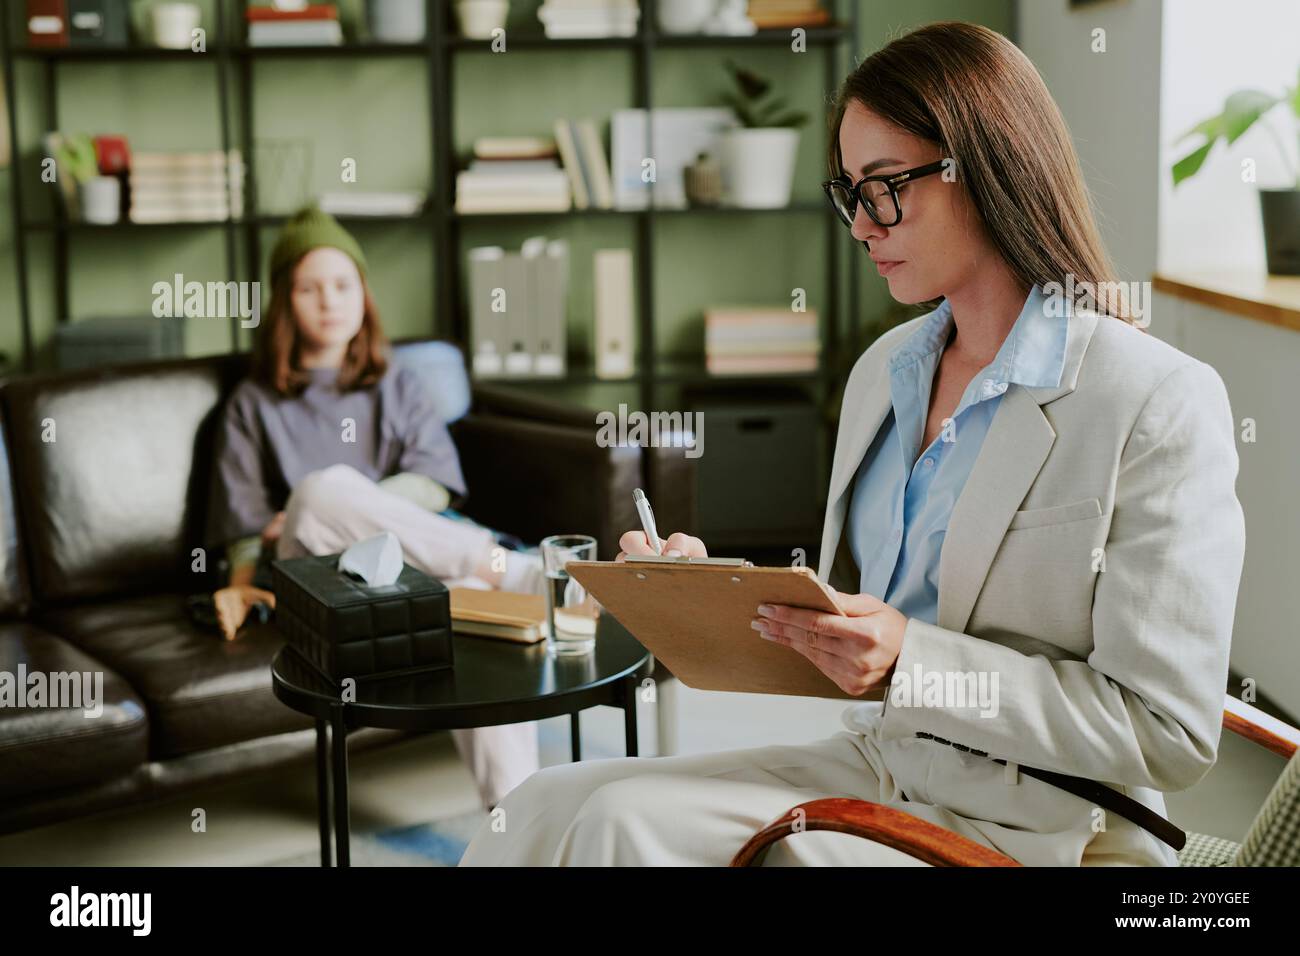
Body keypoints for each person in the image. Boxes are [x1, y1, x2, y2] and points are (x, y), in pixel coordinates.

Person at [457, 21, 1246, 866]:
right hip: (886, 762)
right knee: (543, 806)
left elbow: (1167, 730)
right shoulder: (884, 375)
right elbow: (854, 628)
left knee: (629, 825)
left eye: (886, 186)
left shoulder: (1155, 400)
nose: (863, 225)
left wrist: (917, 663)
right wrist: (708, 597)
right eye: (850, 192)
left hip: (1049, 819)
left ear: (983, 167)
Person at [206, 205, 544, 811]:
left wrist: (354, 505)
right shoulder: (250, 403)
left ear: (363, 293)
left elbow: (436, 483)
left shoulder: (397, 383)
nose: (329, 301)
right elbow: (244, 526)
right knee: (316, 491)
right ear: (285, 301)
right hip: (315, 571)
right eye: (309, 288)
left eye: (343, 284)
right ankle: (516, 568)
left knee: (472, 600)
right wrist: (239, 582)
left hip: (403, 568)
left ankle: (514, 823)